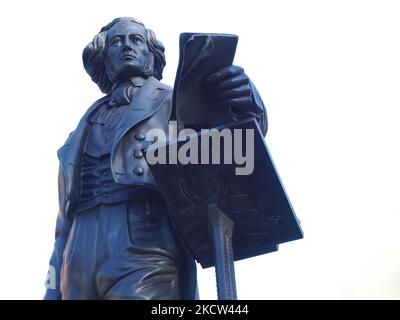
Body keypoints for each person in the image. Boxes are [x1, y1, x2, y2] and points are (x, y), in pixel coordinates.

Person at [44, 17, 267, 300]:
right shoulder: (81, 128)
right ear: (103, 57)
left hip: (143, 244)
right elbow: (62, 225)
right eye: (117, 41)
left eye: (136, 40)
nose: (126, 46)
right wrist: (52, 288)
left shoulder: (173, 103)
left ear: (152, 54)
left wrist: (247, 101)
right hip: (76, 256)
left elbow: (234, 144)